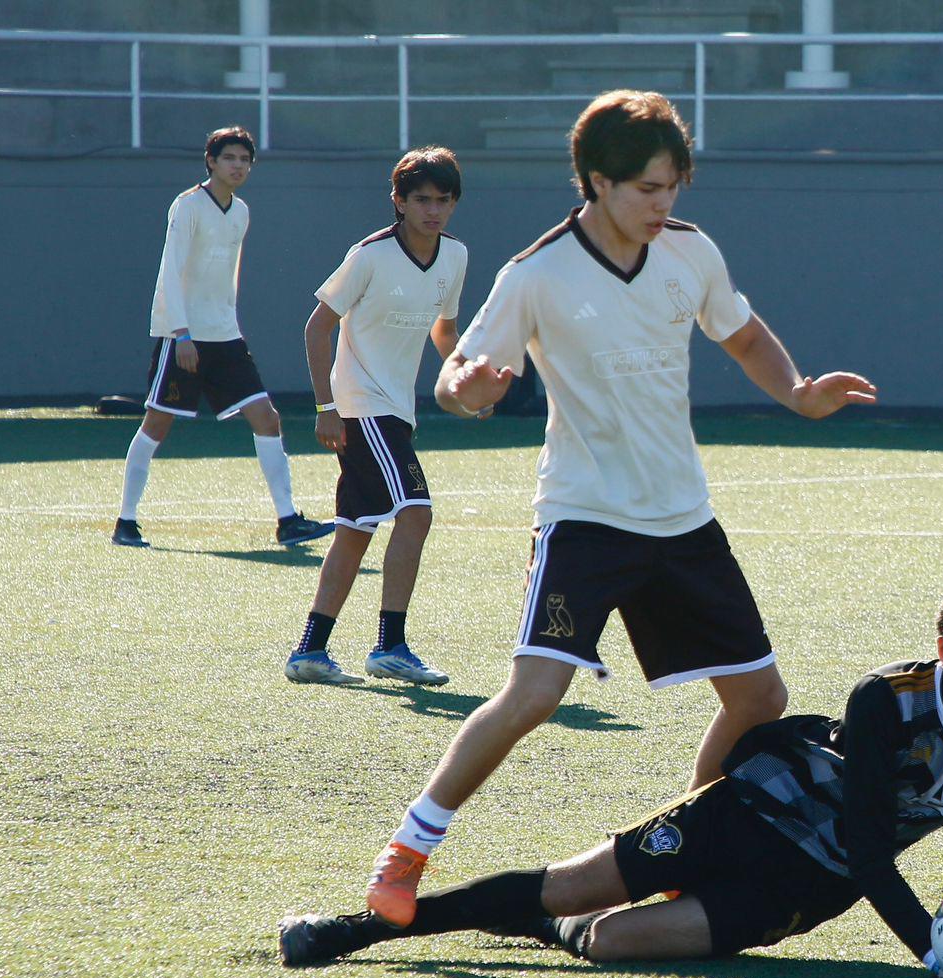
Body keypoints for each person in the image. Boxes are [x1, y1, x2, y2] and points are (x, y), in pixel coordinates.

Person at [360, 89, 879, 928]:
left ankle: (686, 848)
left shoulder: (690, 252)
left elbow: (742, 334)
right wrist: (471, 389)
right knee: (534, 695)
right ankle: (409, 849)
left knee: (759, 700)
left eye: (674, 186)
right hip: (586, 517)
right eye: (647, 188)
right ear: (597, 181)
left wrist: (797, 391)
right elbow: (460, 378)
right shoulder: (535, 273)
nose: (663, 204)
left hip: (683, 518)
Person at [281, 567, 943, 978]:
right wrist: (935, 953)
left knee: (609, 943)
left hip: (813, 884)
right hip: (747, 813)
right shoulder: (886, 700)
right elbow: (877, 848)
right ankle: (361, 933)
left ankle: (549, 931)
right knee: (574, 884)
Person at [283, 148, 468, 686]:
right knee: (417, 510)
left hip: (396, 411)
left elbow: (444, 330)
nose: (433, 210)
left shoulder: (454, 257)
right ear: (399, 201)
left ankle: (309, 652)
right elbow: (317, 328)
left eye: (443, 200)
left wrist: (462, 380)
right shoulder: (368, 256)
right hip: (364, 409)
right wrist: (326, 407)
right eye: (422, 200)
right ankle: (391, 645)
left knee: (354, 532)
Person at [113, 126, 331, 550]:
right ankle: (126, 521)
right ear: (211, 161)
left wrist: (223, 326)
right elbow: (170, 271)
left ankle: (288, 521)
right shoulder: (188, 206)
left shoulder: (242, 212)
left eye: (245, 160)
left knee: (267, 417)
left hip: (225, 338)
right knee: (156, 424)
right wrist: (181, 334)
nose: (238, 166)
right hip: (185, 337)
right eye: (229, 158)